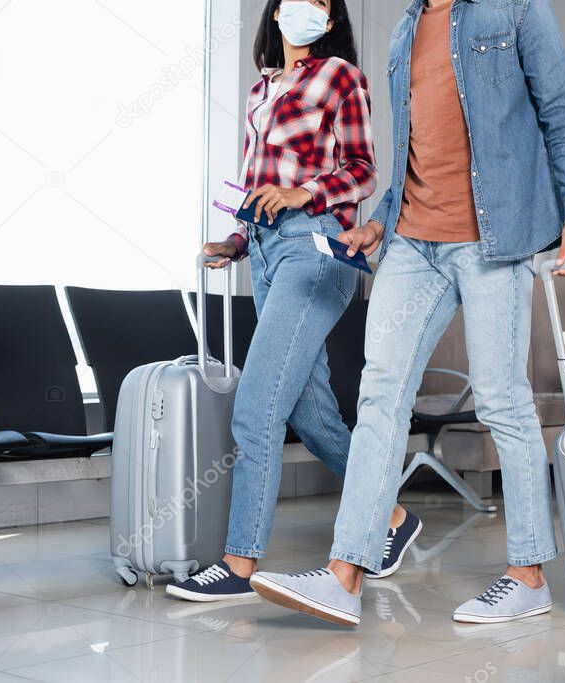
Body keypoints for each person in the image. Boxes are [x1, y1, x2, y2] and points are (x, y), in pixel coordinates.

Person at [249, 0, 565, 626]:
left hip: (496, 240)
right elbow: (412, 149)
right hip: (413, 242)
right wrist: (380, 221)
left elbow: (563, 109)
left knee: (501, 401)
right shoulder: (404, 33)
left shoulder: (515, 10)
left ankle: (528, 574)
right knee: (380, 395)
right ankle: (345, 574)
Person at [167, 0, 420, 603]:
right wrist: (238, 238)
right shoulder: (261, 90)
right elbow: (262, 187)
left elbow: (362, 171)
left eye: (322, 3)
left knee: (256, 410)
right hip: (269, 253)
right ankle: (392, 519)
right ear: (275, 12)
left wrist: (301, 191)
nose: (307, 9)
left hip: (318, 250)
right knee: (312, 418)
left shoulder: (341, 77)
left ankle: (238, 564)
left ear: (330, 21)